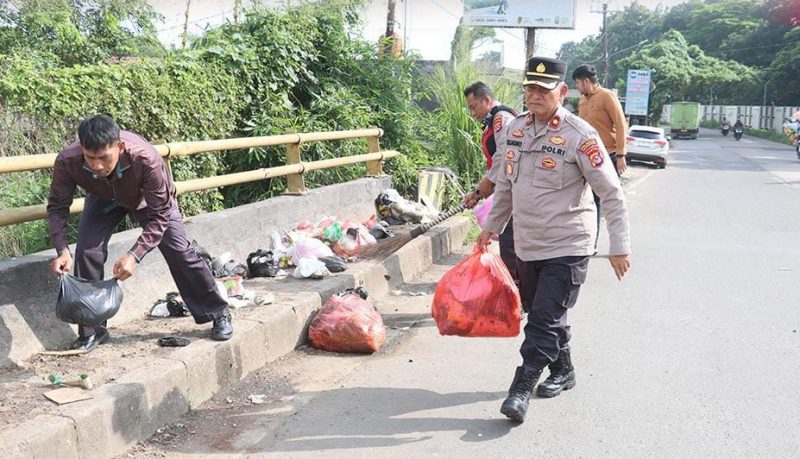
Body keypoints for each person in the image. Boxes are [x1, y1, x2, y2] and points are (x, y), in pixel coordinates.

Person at [477, 57, 631, 423]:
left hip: (569, 243)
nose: (534, 96)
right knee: (544, 313)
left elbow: (611, 193)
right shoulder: (514, 130)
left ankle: (521, 388)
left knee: (543, 318)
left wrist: (619, 246)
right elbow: (505, 186)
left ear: (561, 92)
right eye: (530, 89)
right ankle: (564, 369)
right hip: (528, 243)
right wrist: (491, 227)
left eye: (543, 90)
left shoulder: (581, 135)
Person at [47, 115, 233, 352]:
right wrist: (62, 249)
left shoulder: (146, 159)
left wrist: (134, 255)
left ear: (120, 146)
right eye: (90, 158)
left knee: (179, 251)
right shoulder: (68, 160)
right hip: (103, 197)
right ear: (81, 148)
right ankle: (92, 330)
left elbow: (161, 215)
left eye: (104, 157)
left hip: (149, 200)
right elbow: (57, 207)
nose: (97, 166)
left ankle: (218, 312)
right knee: (86, 251)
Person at [462, 81, 519, 280]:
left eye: (474, 107)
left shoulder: (502, 118)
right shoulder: (493, 119)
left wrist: (487, 183)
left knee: (510, 239)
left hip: (513, 189)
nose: (472, 113)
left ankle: (514, 285)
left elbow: (504, 155)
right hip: (505, 186)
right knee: (508, 238)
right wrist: (479, 191)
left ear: (486, 100)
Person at [572, 64, 628, 252]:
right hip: (586, 156)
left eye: (577, 83)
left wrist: (621, 155)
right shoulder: (582, 100)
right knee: (587, 200)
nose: (577, 87)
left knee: (607, 199)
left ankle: (617, 245)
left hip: (608, 156)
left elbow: (620, 124)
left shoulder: (607, 96)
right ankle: (590, 243)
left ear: (586, 81)